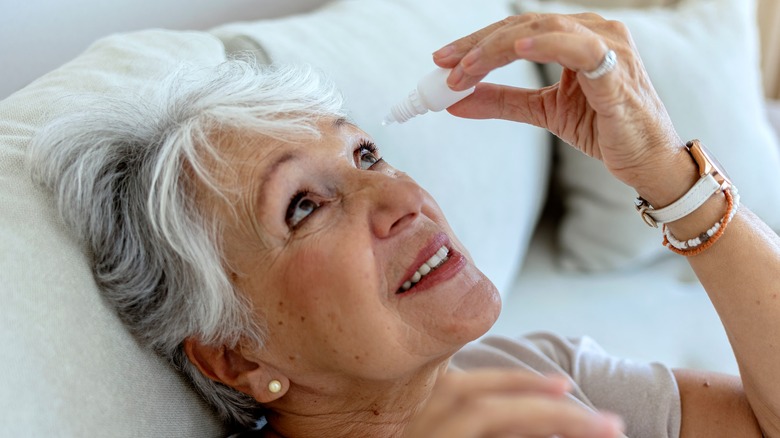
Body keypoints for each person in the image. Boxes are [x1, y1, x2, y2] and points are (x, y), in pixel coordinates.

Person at [28, 12, 780, 438]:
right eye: (304, 205)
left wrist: (670, 179)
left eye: (367, 153)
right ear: (236, 359)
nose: (403, 200)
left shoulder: (529, 371)